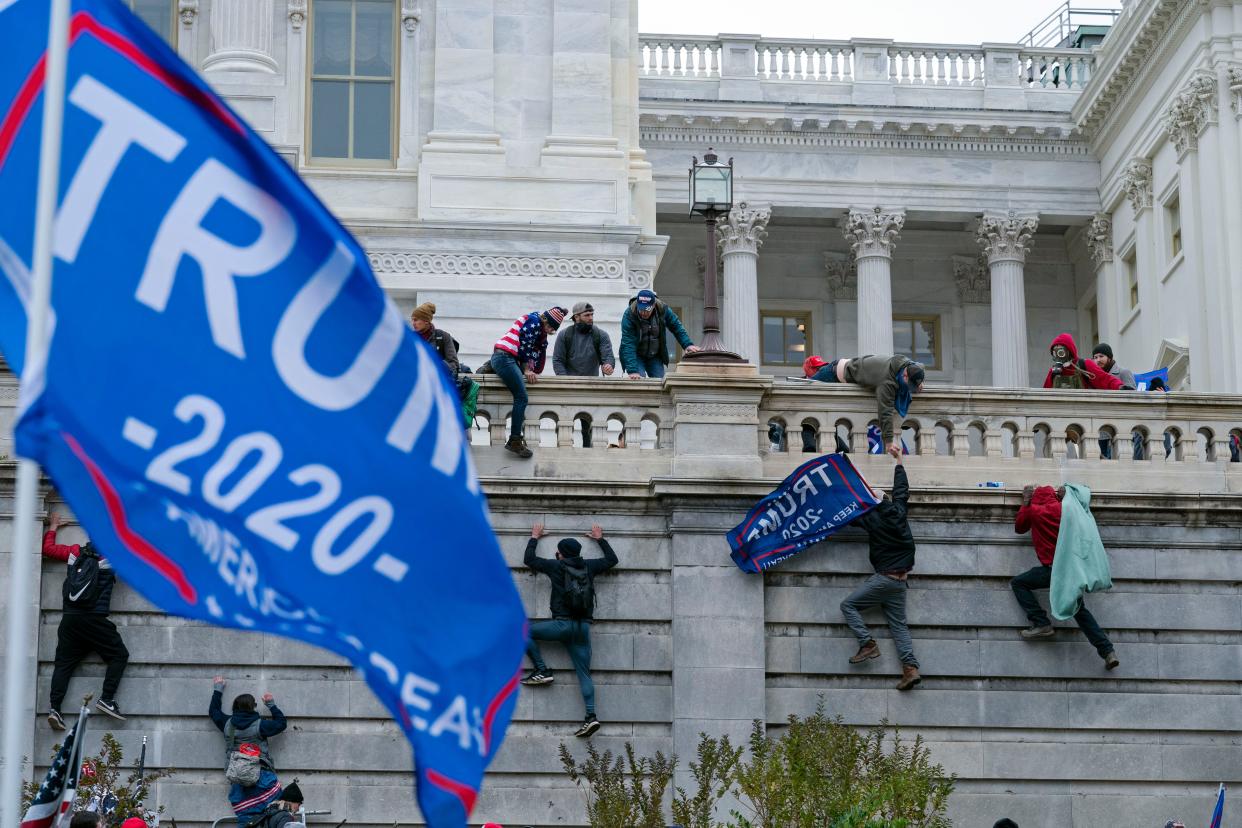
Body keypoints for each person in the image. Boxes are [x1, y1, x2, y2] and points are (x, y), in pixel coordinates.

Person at [519, 522, 619, 738]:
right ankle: (591, 716)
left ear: (560, 554)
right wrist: (599, 538)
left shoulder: (556, 566)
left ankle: (542, 670)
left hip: (561, 625)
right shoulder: (589, 567)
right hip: (583, 628)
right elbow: (612, 560)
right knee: (584, 674)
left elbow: (529, 560)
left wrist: (534, 536)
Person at [1011, 485, 1119, 670]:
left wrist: (1026, 502)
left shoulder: (1035, 511)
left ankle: (1041, 622)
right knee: (1080, 611)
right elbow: (1084, 495)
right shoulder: (1066, 509)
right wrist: (1067, 495)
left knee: (1018, 583)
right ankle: (1108, 651)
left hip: (1052, 570)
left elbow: (1020, 527)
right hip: (1072, 570)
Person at [840, 456, 922, 691]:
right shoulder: (898, 510)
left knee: (848, 606)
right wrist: (899, 462)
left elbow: (849, 517)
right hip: (901, 581)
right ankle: (910, 669)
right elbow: (902, 491)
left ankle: (867, 644)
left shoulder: (872, 518)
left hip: (885, 579)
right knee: (899, 626)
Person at [43, 512, 128, 729]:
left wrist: (53, 526)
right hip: (94, 619)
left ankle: (55, 709)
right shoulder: (113, 557)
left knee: (64, 664)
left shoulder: (75, 552)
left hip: (70, 619)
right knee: (119, 654)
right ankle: (106, 699)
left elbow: (48, 549)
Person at [802, 354, 925, 458]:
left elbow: (920, 366)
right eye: (909, 385)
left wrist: (919, 382)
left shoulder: (907, 363)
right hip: (831, 373)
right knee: (803, 392)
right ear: (905, 375)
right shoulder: (886, 381)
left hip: (847, 366)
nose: (910, 389)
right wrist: (888, 442)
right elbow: (885, 412)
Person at [210, 676, 289, 826]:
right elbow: (281, 723)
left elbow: (213, 711)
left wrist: (218, 689)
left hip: (238, 780)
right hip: (262, 776)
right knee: (275, 815)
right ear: (253, 707)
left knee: (247, 821)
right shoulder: (261, 725)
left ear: (235, 707)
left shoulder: (227, 724)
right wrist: (271, 704)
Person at [490, 306, 567, 458]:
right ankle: (515, 440)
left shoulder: (534, 321)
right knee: (521, 397)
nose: (549, 330)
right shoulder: (534, 321)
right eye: (550, 327)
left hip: (504, 357)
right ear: (545, 320)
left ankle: (490, 366)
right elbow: (525, 344)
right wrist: (526, 369)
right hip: (505, 358)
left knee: (520, 393)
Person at [619, 289, 699, 379]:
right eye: (641, 309)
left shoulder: (663, 309)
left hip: (655, 355)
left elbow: (676, 326)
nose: (644, 313)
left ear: (653, 305)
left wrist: (687, 344)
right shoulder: (629, 315)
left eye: (647, 310)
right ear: (637, 304)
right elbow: (628, 343)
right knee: (637, 380)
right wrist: (632, 370)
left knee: (660, 382)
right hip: (636, 355)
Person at [553, 301, 616, 377]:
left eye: (592, 314)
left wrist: (609, 365)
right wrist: (565, 381)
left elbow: (608, 356)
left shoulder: (601, 335)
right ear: (576, 317)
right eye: (587, 315)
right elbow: (558, 360)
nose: (591, 318)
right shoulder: (564, 335)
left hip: (593, 384)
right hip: (570, 384)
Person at [1042, 333, 1124, 390]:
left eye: (1061, 351)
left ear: (1069, 350)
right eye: (1055, 352)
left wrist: (1120, 387)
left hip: (1081, 411)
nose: (1059, 355)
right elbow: (1045, 393)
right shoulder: (1053, 371)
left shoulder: (1084, 365)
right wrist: (1054, 376)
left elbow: (1104, 379)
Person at [410, 302, 460, 377]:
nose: (413, 323)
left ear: (426, 321)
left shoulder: (443, 336)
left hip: (437, 383)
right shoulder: (411, 338)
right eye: (412, 320)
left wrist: (437, 365)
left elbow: (454, 364)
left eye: (416, 320)